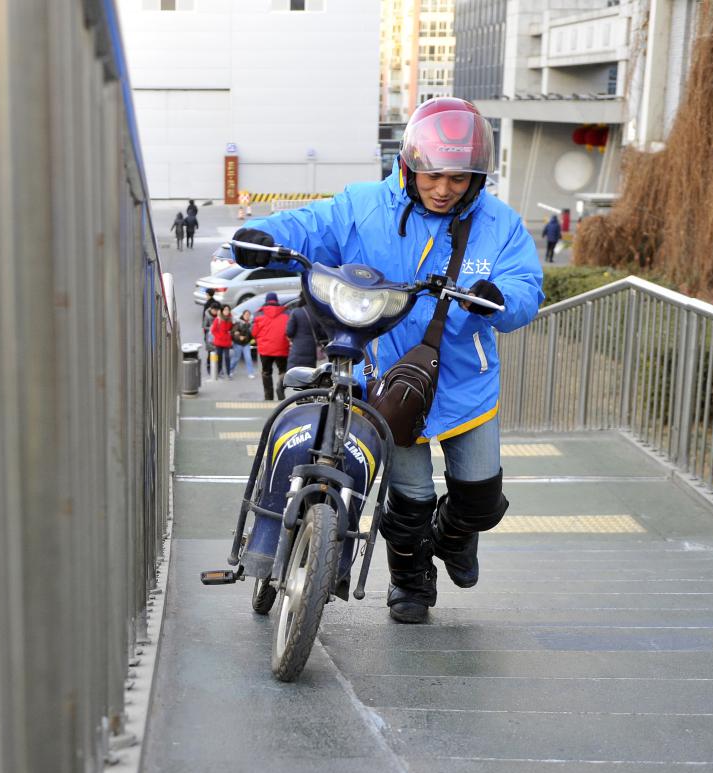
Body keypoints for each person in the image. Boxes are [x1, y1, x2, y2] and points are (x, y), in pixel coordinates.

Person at [232, 97, 543, 624]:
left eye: (459, 178)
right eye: (432, 175)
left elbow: (524, 287)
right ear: (408, 165)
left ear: (477, 178)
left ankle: (454, 536)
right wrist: (263, 238)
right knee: (410, 497)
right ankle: (410, 580)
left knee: (481, 500)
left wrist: (499, 295)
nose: (444, 189)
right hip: (387, 379)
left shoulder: (500, 224)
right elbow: (307, 226)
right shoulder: (363, 205)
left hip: (465, 382)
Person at [251, 293, 290, 400]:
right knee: (283, 371)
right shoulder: (286, 313)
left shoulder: (259, 314)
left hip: (265, 350)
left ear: (266, 301)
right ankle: (280, 389)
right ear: (276, 301)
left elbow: (254, 333)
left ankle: (268, 397)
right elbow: (289, 331)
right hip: (282, 348)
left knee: (266, 372)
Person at [285, 303, 321, 370]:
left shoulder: (296, 312)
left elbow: (289, 332)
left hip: (297, 349)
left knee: (293, 371)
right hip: (311, 349)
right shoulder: (316, 312)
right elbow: (322, 333)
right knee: (308, 372)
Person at [210, 306, 235, 380]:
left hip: (227, 341)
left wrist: (231, 333)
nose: (226, 311)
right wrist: (219, 336)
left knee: (227, 357)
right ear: (222, 311)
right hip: (219, 342)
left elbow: (232, 328)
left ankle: (228, 373)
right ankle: (219, 371)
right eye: (225, 310)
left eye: (228, 310)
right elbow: (213, 330)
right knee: (219, 357)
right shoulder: (218, 319)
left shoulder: (230, 319)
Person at [230, 309, 256, 379]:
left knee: (248, 358)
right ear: (243, 315)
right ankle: (230, 370)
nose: (247, 316)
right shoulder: (238, 323)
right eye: (246, 314)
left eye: (248, 315)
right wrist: (239, 337)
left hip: (246, 343)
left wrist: (253, 338)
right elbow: (233, 333)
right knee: (236, 358)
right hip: (238, 343)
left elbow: (252, 334)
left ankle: (250, 373)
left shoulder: (251, 324)